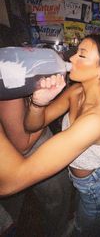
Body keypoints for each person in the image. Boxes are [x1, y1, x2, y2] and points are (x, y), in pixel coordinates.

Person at [0, 34, 100, 237]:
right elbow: (31, 126)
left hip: (97, 187)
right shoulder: (76, 91)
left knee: (87, 230)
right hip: (81, 181)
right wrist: (39, 103)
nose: (71, 58)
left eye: (81, 56)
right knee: (81, 217)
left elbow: (10, 183)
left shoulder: (97, 118)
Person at [0, 98, 72, 237]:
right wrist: (64, 100)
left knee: (11, 207)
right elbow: (23, 144)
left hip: (22, 129)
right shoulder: (10, 89)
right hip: (27, 139)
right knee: (58, 193)